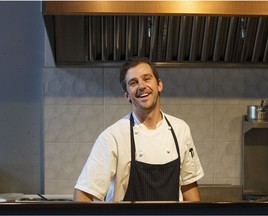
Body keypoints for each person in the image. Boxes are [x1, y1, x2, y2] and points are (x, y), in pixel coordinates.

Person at [74, 56, 204, 202]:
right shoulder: (112, 137)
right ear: (126, 95)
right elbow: (83, 194)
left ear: (159, 85)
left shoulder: (180, 129)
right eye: (133, 83)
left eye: (147, 79)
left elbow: (189, 185)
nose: (141, 86)